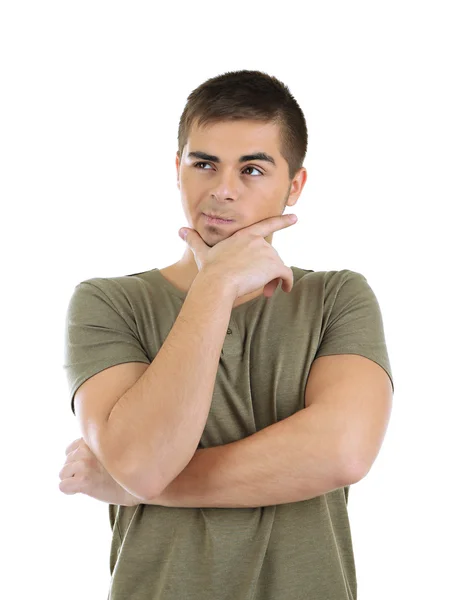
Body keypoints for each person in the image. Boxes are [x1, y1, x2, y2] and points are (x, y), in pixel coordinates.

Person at [62, 69, 394, 600]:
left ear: (295, 185)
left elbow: (344, 453)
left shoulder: (337, 298)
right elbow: (143, 460)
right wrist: (214, 284)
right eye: (204, 164)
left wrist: (136, 487)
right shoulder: (108, 303)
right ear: (178, 170)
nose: (222, 189)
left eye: (254, 169)